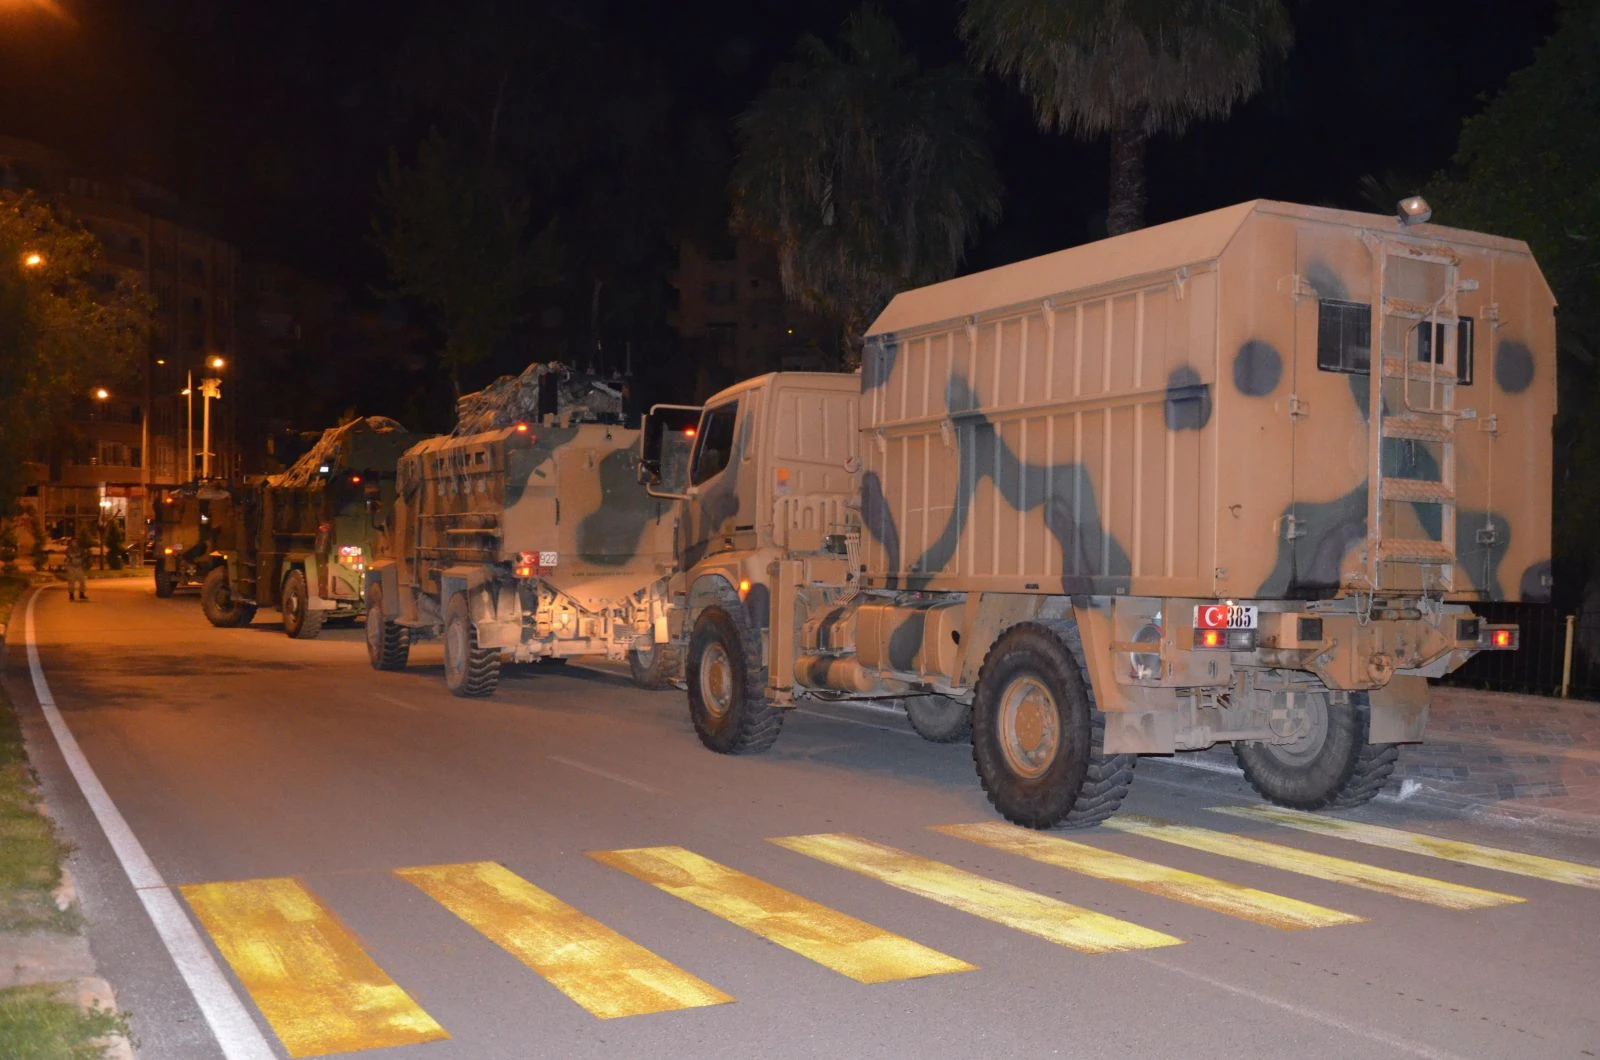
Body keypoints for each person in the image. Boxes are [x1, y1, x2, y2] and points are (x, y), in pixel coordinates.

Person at [64, 533, 89, 602]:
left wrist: (81, 558)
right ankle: (71, 595)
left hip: (79, 566)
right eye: (73, 541)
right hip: (71, 567)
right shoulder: (69, 549)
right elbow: (70, 555)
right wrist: (75, 556)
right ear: (71, 542)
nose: (75, 543)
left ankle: (81, 593)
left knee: (82, 581)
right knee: (71, 582)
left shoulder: (80, 549)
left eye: (76, 541)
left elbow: (84, 556)